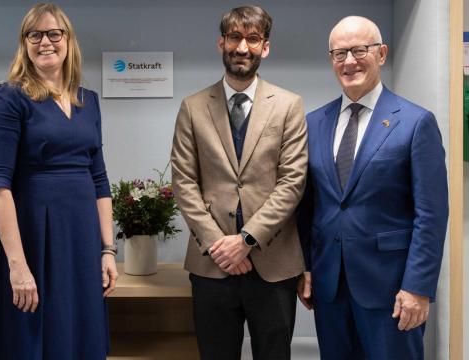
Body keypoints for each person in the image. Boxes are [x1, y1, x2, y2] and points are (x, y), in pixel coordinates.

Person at [297, 16, 448, 360]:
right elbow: (307, 207)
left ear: (381, 54)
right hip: (329, 287)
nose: (349, 61)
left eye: (359, 50)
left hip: (392, 291)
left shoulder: (415, 122)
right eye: (339, 53)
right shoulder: (313, 123)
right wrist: (306, 266)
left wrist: (418, 287)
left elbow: (432, 215)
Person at [171, 5, 308, 359]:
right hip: (211, 264)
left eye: (252, 39)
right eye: (234, 37)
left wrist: (246, 240)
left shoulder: (289, 106)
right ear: (221, 43)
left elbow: (292, 183)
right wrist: (221, 245)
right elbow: (184, 182)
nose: (242, 48)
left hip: (273, 263)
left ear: (265, 47)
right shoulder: (193, 107)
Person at [0, 3, 118, 359]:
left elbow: (99, 179)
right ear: (24, 43)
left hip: (83, 238)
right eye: (35, 34)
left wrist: (108, 249)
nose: (46, 42)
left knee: (81, 330)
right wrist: (17, 264)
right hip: (34, 237)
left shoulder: (88, 101)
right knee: (34, 333)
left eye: (54, 33)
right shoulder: (10, 97)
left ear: (68, 40)